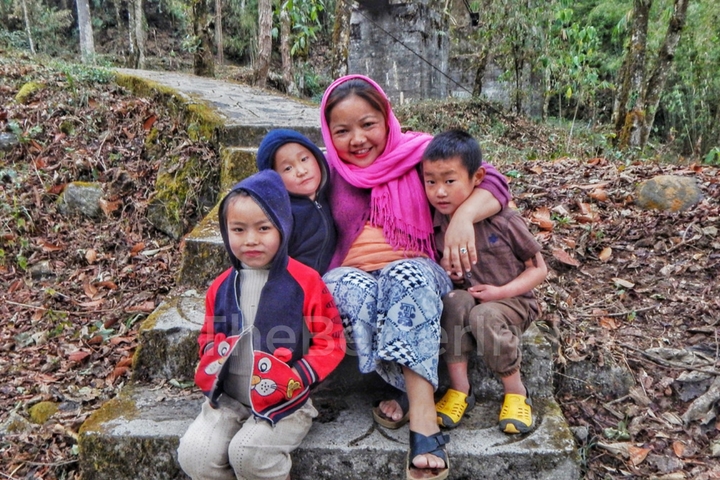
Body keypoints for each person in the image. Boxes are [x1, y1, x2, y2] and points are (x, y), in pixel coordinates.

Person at [318, 75, 511, 480]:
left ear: (387, 119)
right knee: (340, 285)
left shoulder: (420, 153)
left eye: (368, 124)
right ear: (327, 133)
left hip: (418, 271)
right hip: (356, 277)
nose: (357, 139)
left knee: (405, 276)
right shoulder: (325, 170)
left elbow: (491, 180)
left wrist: (461, 217)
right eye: (343, 130)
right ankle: (409, 387)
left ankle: (423, 418)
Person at [177, 170, 346, 480]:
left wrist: (299, 375)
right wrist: (212, 351)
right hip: (228, 398)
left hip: (286, 400)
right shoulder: (220, 286)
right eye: (238, 229)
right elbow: (208, 333)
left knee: (249, 455)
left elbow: (331, 339)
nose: (251, 240)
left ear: (282, 228)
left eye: (263, 228)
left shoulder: (306, 281)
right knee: (195, 456)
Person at [422, 129, 547, 434]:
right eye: (431, 181)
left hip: (513, 302)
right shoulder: (437, 225)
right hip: (471, 299)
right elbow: (448, 275)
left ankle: (516, 391)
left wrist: (501, 292)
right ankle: (460, 390)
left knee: (484, 314)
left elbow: (539, 270)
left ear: (477, 177)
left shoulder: (503, 220)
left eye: (450, 181)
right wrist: (446, 271)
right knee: (453, 302)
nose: (440, 192)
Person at [256, 129, 337, 274]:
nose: (301, 171)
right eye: (288, 168)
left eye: (304, 159)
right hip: (296, 288)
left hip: (327, 281)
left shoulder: (331, 195)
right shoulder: (282, 214)